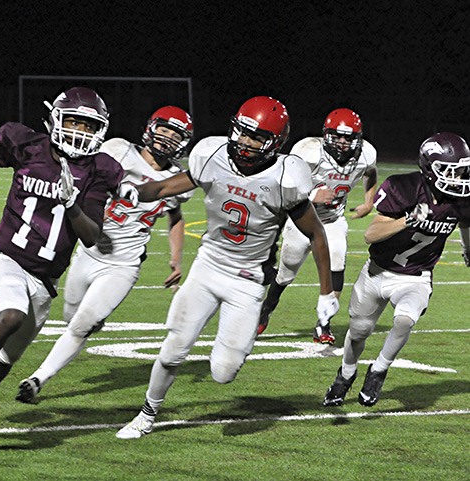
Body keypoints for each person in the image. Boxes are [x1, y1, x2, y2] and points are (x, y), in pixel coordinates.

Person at [115, 96, 339, 439]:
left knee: (223, 372)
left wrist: (326, 292)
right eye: (243, 133)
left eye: (257, 137)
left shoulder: (287, 176)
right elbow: (164, 187)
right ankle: (146, 413)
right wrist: (133, 191)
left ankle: (231, 350)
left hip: (247, 280)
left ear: (276, 142)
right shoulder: (213, 155)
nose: (246, 142)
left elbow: (316, 234)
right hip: (208, 267)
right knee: (173, 348)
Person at [0, 87, 124, 446]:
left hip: (45, 278)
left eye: (87, 125)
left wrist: (73, 204)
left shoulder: (99, 171)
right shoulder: (29, 146)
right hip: (6, 256)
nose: (79, 132)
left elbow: (93, 235)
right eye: (74, 122)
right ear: (56, 121)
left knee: (6, 357)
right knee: (12, 314)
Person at [15, 106, 195, 403]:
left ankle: (38, 379)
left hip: (123, 264)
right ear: (150, 128)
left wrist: (175, 259)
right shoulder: (118, 151)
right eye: (163, 129)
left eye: (175, 133)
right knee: (71, 316)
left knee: (81, 325)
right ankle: (92, 319)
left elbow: (175, 216)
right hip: (88, 252)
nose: (166, 137)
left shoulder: (178, 181)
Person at [323, 131, 470, 408]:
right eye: (451, 171)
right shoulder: (403, 187)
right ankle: (346, 373)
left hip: (416, 276)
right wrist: (410, 219)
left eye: (462, 170)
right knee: (358, 332)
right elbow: (371, 234)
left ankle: (378, 370)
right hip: (378, 272)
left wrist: (467, 249)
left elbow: (466, 224)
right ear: (429, 168)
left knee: (405, 319)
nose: (458, 178)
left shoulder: (462, 199)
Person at [258, 108, 378, 344]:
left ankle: (324, 323)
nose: (343, 142)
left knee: (337, 261)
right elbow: (283, 185)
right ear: (326, 135)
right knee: (286, 273)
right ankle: (266, 310)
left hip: (333, 220)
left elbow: (371, 174)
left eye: (349, 138)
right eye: (338, 136)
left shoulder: (366, 155)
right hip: (302, 218)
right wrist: (312, 194)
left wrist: (368, 202)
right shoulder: (309, 152)